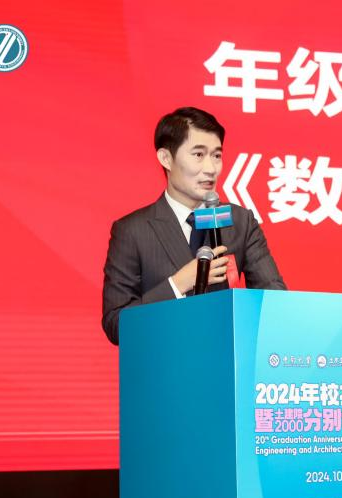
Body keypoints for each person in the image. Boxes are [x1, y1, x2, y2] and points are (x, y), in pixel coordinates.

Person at [101, 107, 286, 345]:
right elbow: (116, 325)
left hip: (226, 360)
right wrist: (178, 284)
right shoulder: (132, 231)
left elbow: (275, 302)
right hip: (166, 363)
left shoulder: (240, 221)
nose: (211, 168)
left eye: (216, 155)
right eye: (198, 154)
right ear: (166, 158)